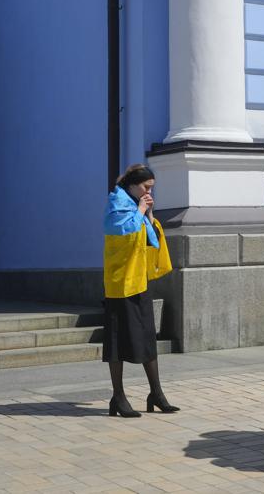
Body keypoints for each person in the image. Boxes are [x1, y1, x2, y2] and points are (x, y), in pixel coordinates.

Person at [102, 164, 178, 417]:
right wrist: (140, 210)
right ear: (133, 185)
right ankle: (118, 397)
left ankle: (156, 393)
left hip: (139, 281)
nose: (148, 192)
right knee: (117, 340)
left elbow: (150, 240)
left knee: (147, 336)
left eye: (151, 189)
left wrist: (148, 214)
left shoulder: (136, 206)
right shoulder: (117, 204)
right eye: (146, 187)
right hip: (120, 285)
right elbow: (124, 233)